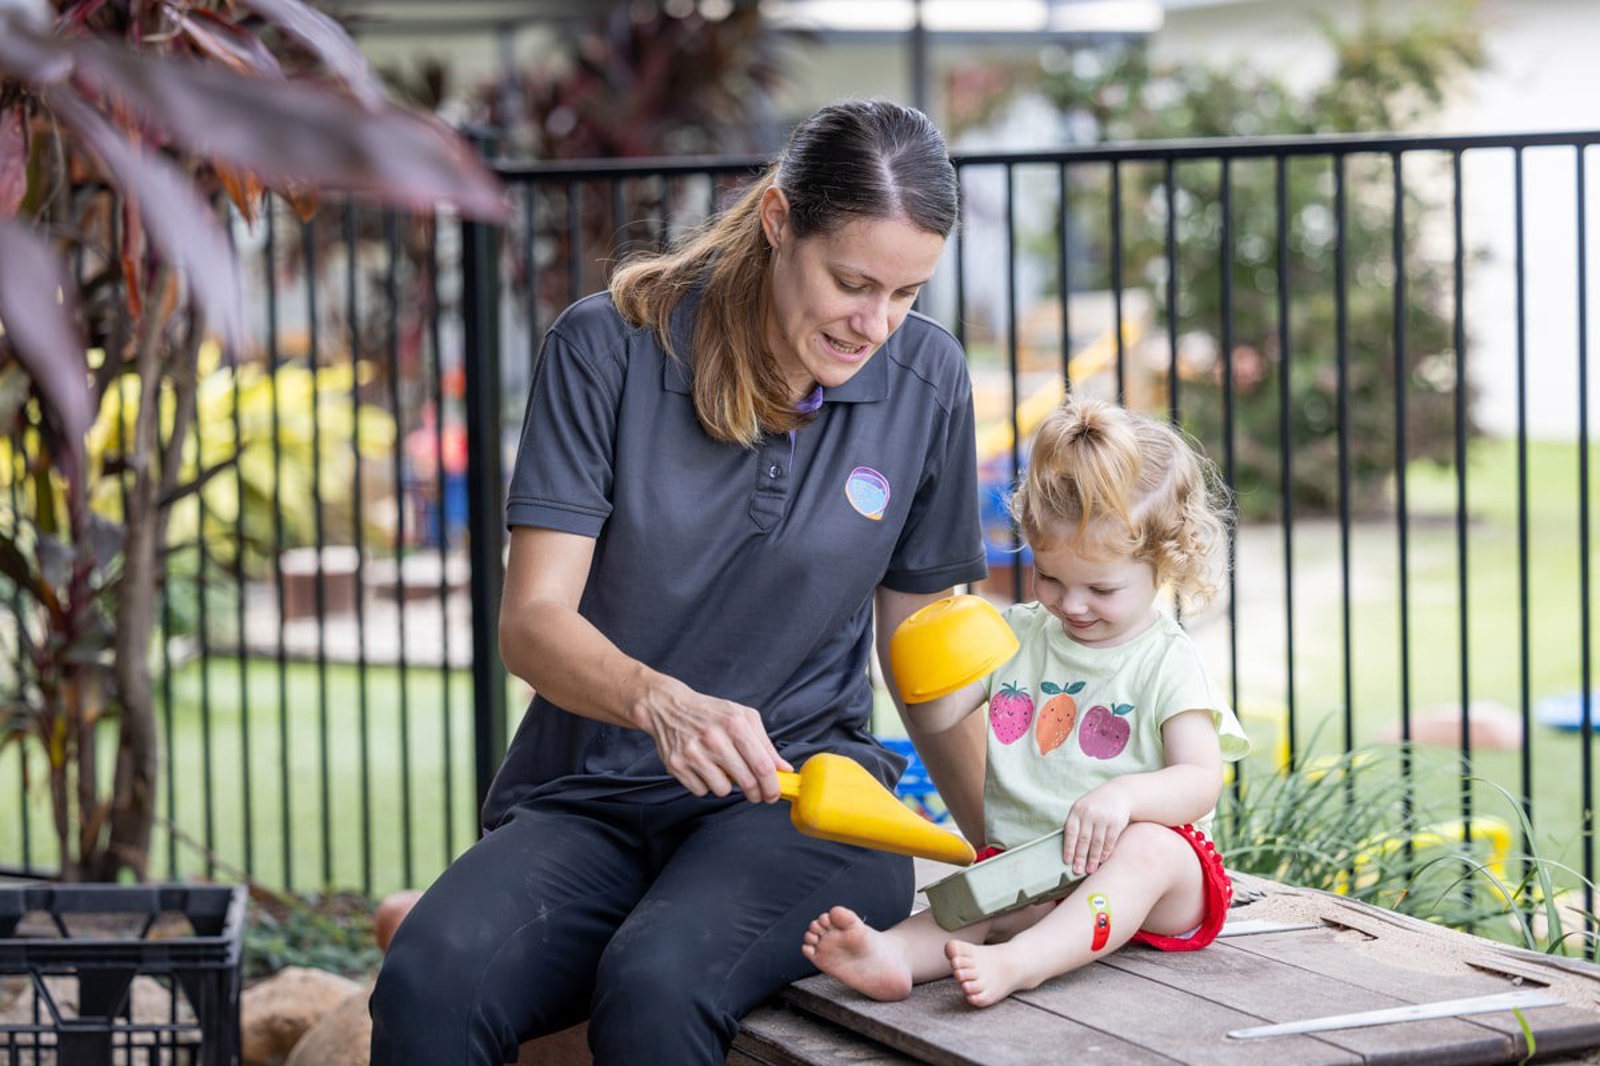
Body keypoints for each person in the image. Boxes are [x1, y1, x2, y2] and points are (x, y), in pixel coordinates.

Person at [369, 98, 988, 1065]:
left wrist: (1009, 846)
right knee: (429, 977)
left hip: (804, 805)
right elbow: (532, 622)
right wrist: (662, 704)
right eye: (852, 282)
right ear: (779, 220)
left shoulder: (928, 379)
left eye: (906, 293)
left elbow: (923, 658)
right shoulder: (606, 348)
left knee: (658, 987)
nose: (877, 323)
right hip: (593, 795)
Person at [802, 397, 1250, 1009]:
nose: (1073, 604)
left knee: (1147, 848)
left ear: (1164, 564)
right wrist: (929, 672)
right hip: (1039, 867)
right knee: (982, 894)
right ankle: (894, 955)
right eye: (1051, 578)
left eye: (1102, 588)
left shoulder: (1164, 659)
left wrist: (1125, 798)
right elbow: (937, 715)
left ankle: (1023, 962)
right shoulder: (1016, 634)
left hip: (1158, 884)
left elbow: (1200, 780)